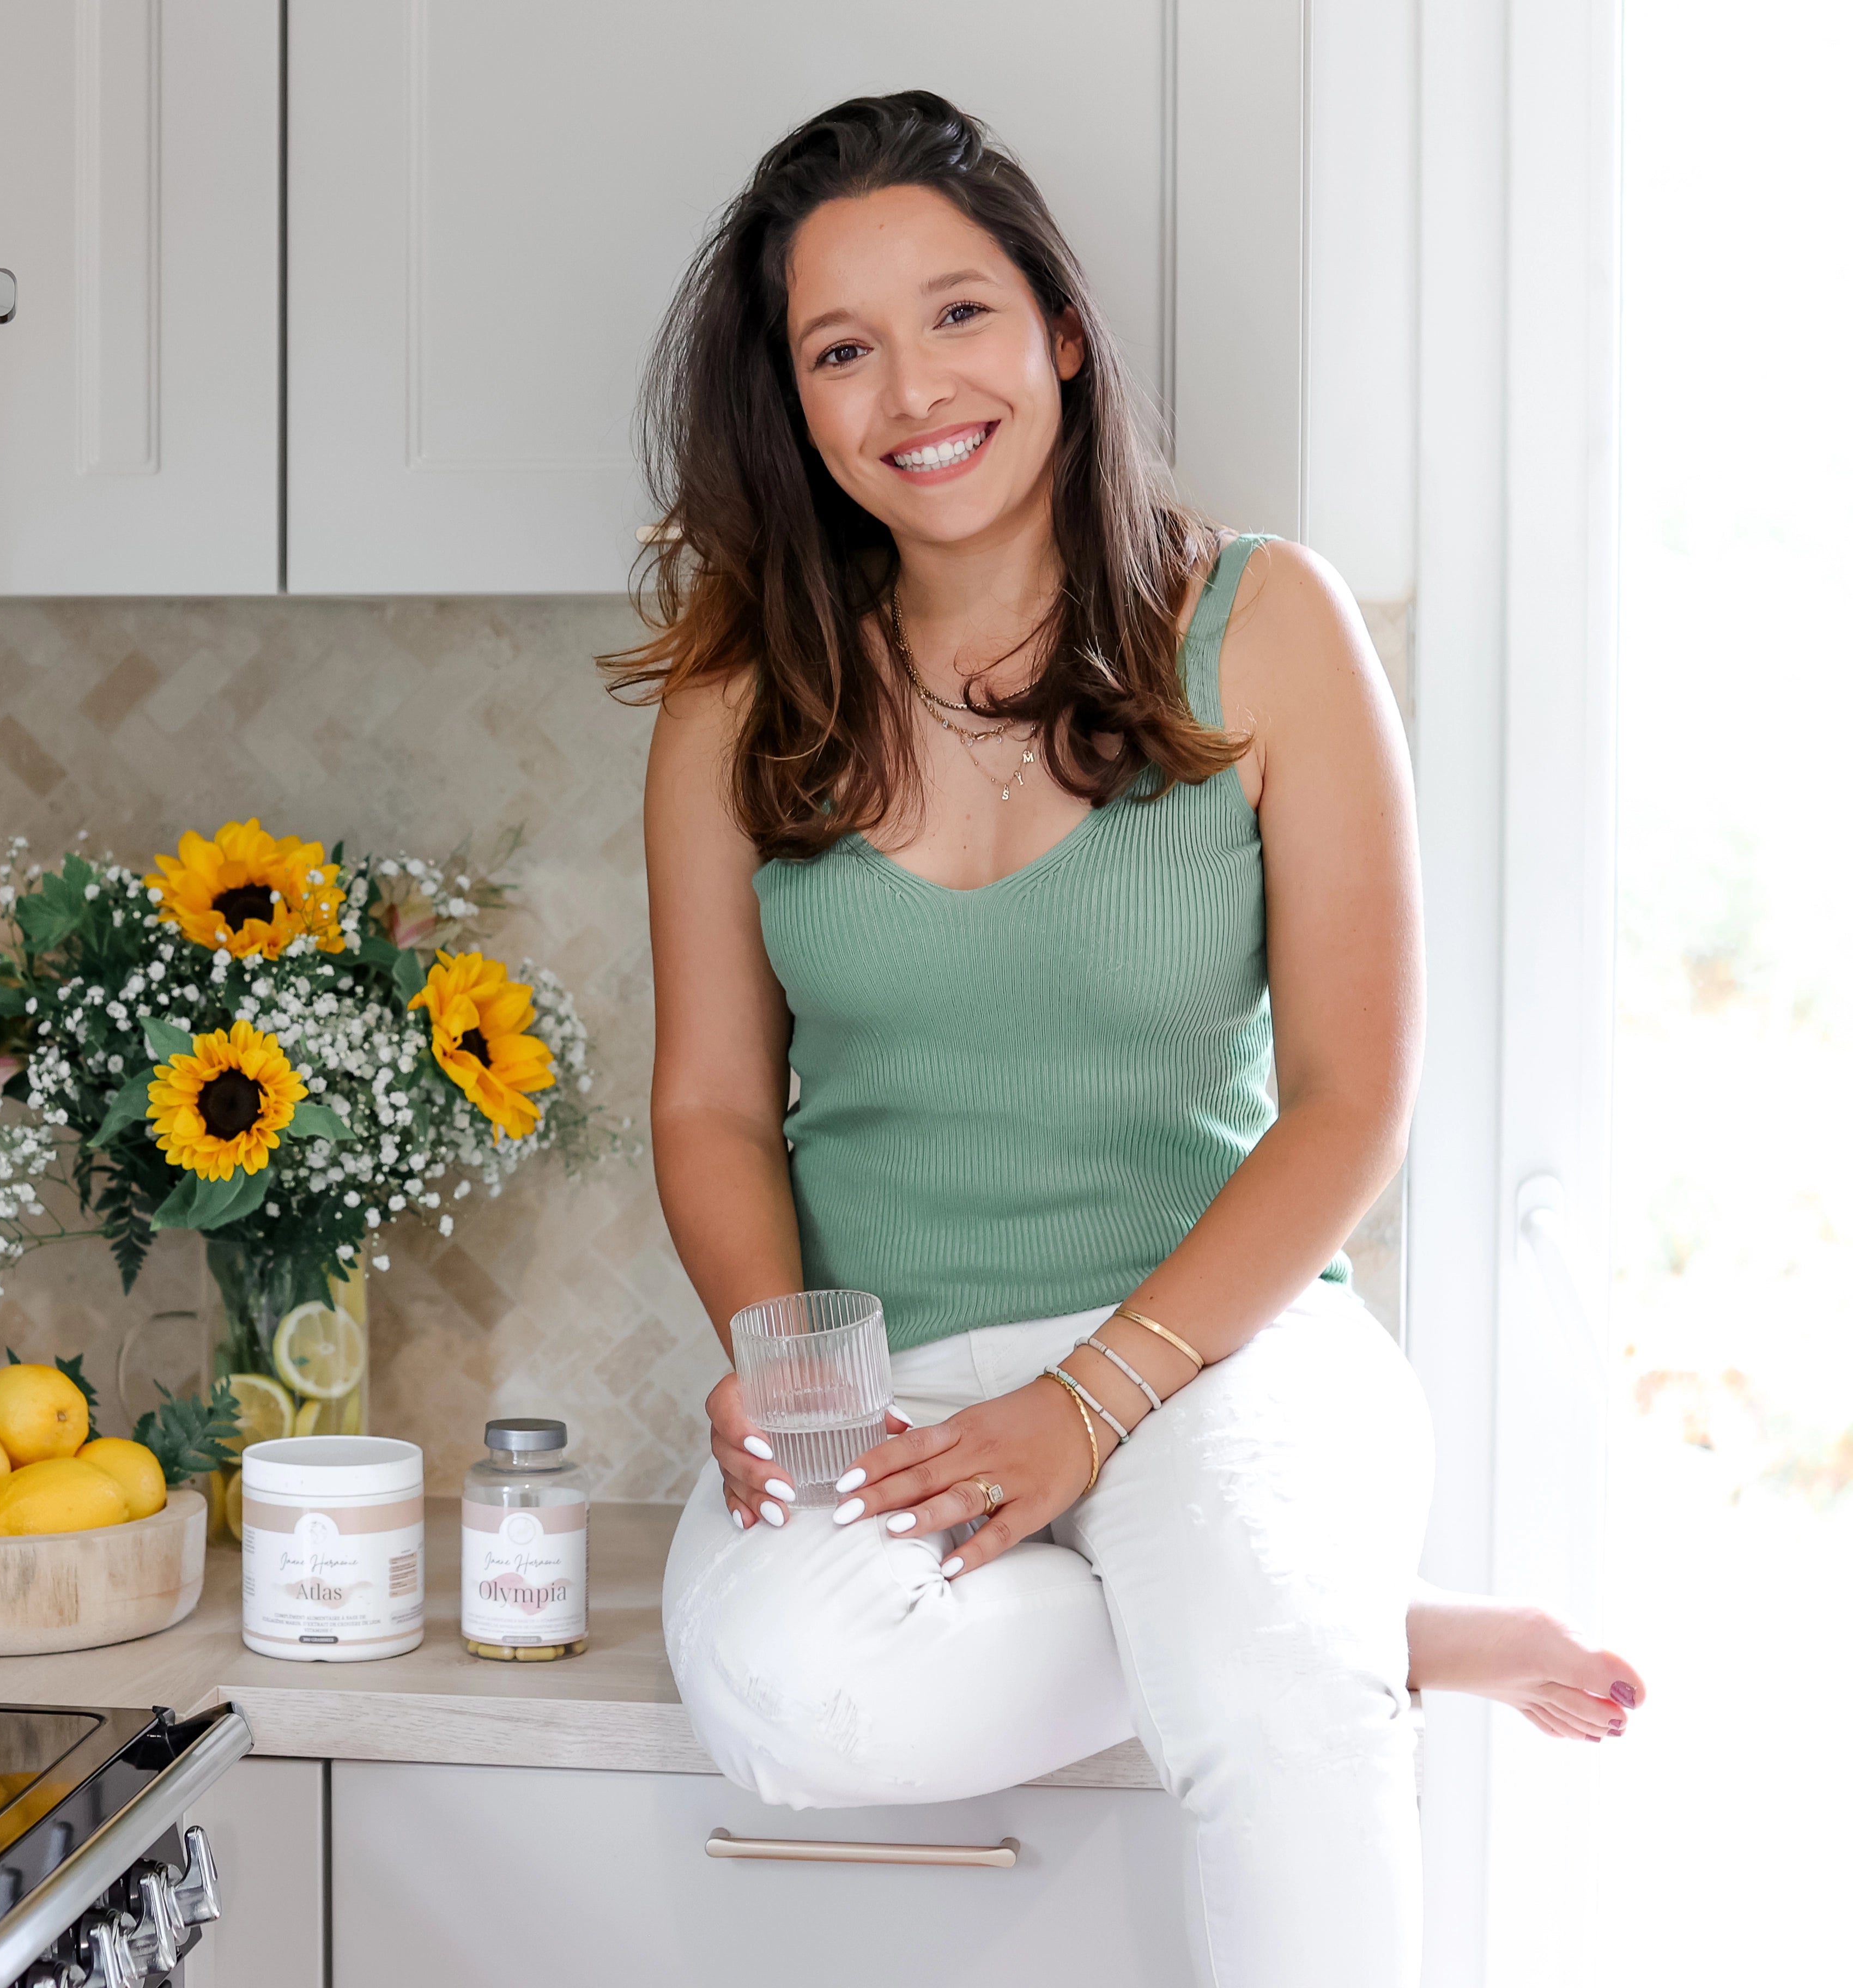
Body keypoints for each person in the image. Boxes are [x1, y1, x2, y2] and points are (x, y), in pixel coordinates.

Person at [624, 92, 1640, 1983]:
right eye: (840, 349)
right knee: (791, 1700)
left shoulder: (1261, 624)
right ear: (796, 406)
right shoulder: (738, 696)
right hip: (895, 1380)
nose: (913, 387)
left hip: (1214, 1347)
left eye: (959, 314)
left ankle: (1289, 1620)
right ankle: (1356, 1619)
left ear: (1060, 332)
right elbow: (708, 1105)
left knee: (1277, 1713)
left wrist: (1090, 1409)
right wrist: (783, 1359)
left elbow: (1352, 1105)